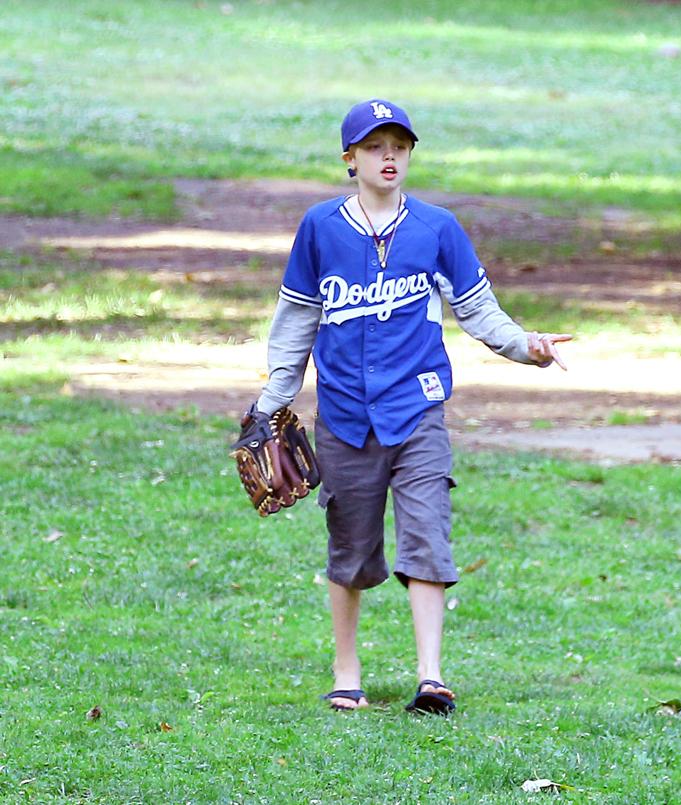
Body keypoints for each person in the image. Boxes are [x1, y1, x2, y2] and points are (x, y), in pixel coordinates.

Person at [255, 99, 571, 714]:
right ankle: (347, 672)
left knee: (427, 534)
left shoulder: (436, 228)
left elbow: (478, 309)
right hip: (344, 414)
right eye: (374, 147)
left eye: (399, 145)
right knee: (350, 546)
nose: (389, 156)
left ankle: (432, 676)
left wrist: (526, 347)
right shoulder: (320, 228)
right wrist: (271, 402)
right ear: (350, 159)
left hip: (418, 406)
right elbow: (296, 322)